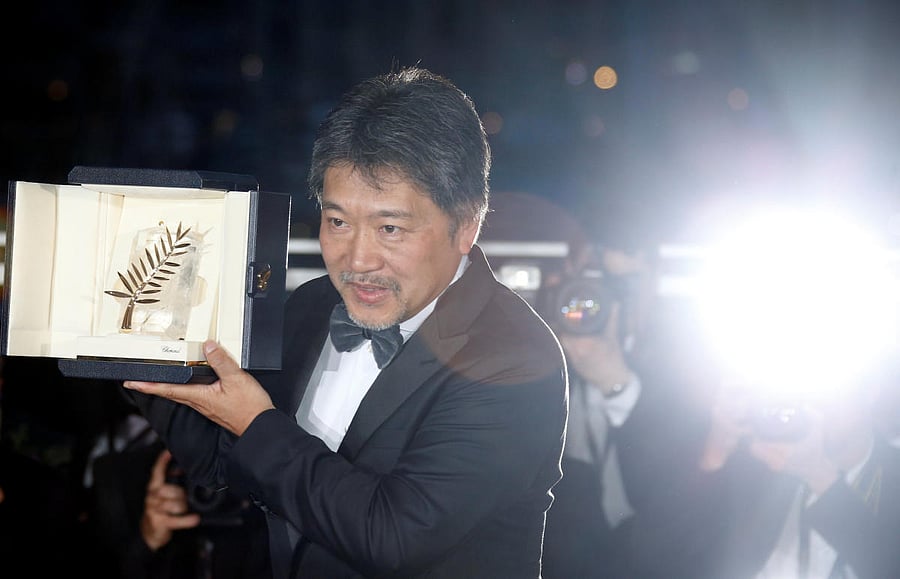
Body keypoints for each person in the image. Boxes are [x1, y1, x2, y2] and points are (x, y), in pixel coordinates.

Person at [121, 66, 569, 578]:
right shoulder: (312, 305)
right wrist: (120, 334)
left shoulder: (512, 356)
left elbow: (393, 537)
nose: (357, 260)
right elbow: (227, 459)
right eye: (337, 222)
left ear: (466, 224)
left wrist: (257, 424)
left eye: (390, 228)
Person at [538, 233, 709, 578]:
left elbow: (684, 498)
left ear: (653, 280)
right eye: (590, 280)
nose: (605, 298)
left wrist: (617, 385)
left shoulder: (692, 367)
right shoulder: (534, 359)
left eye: (622, 283)